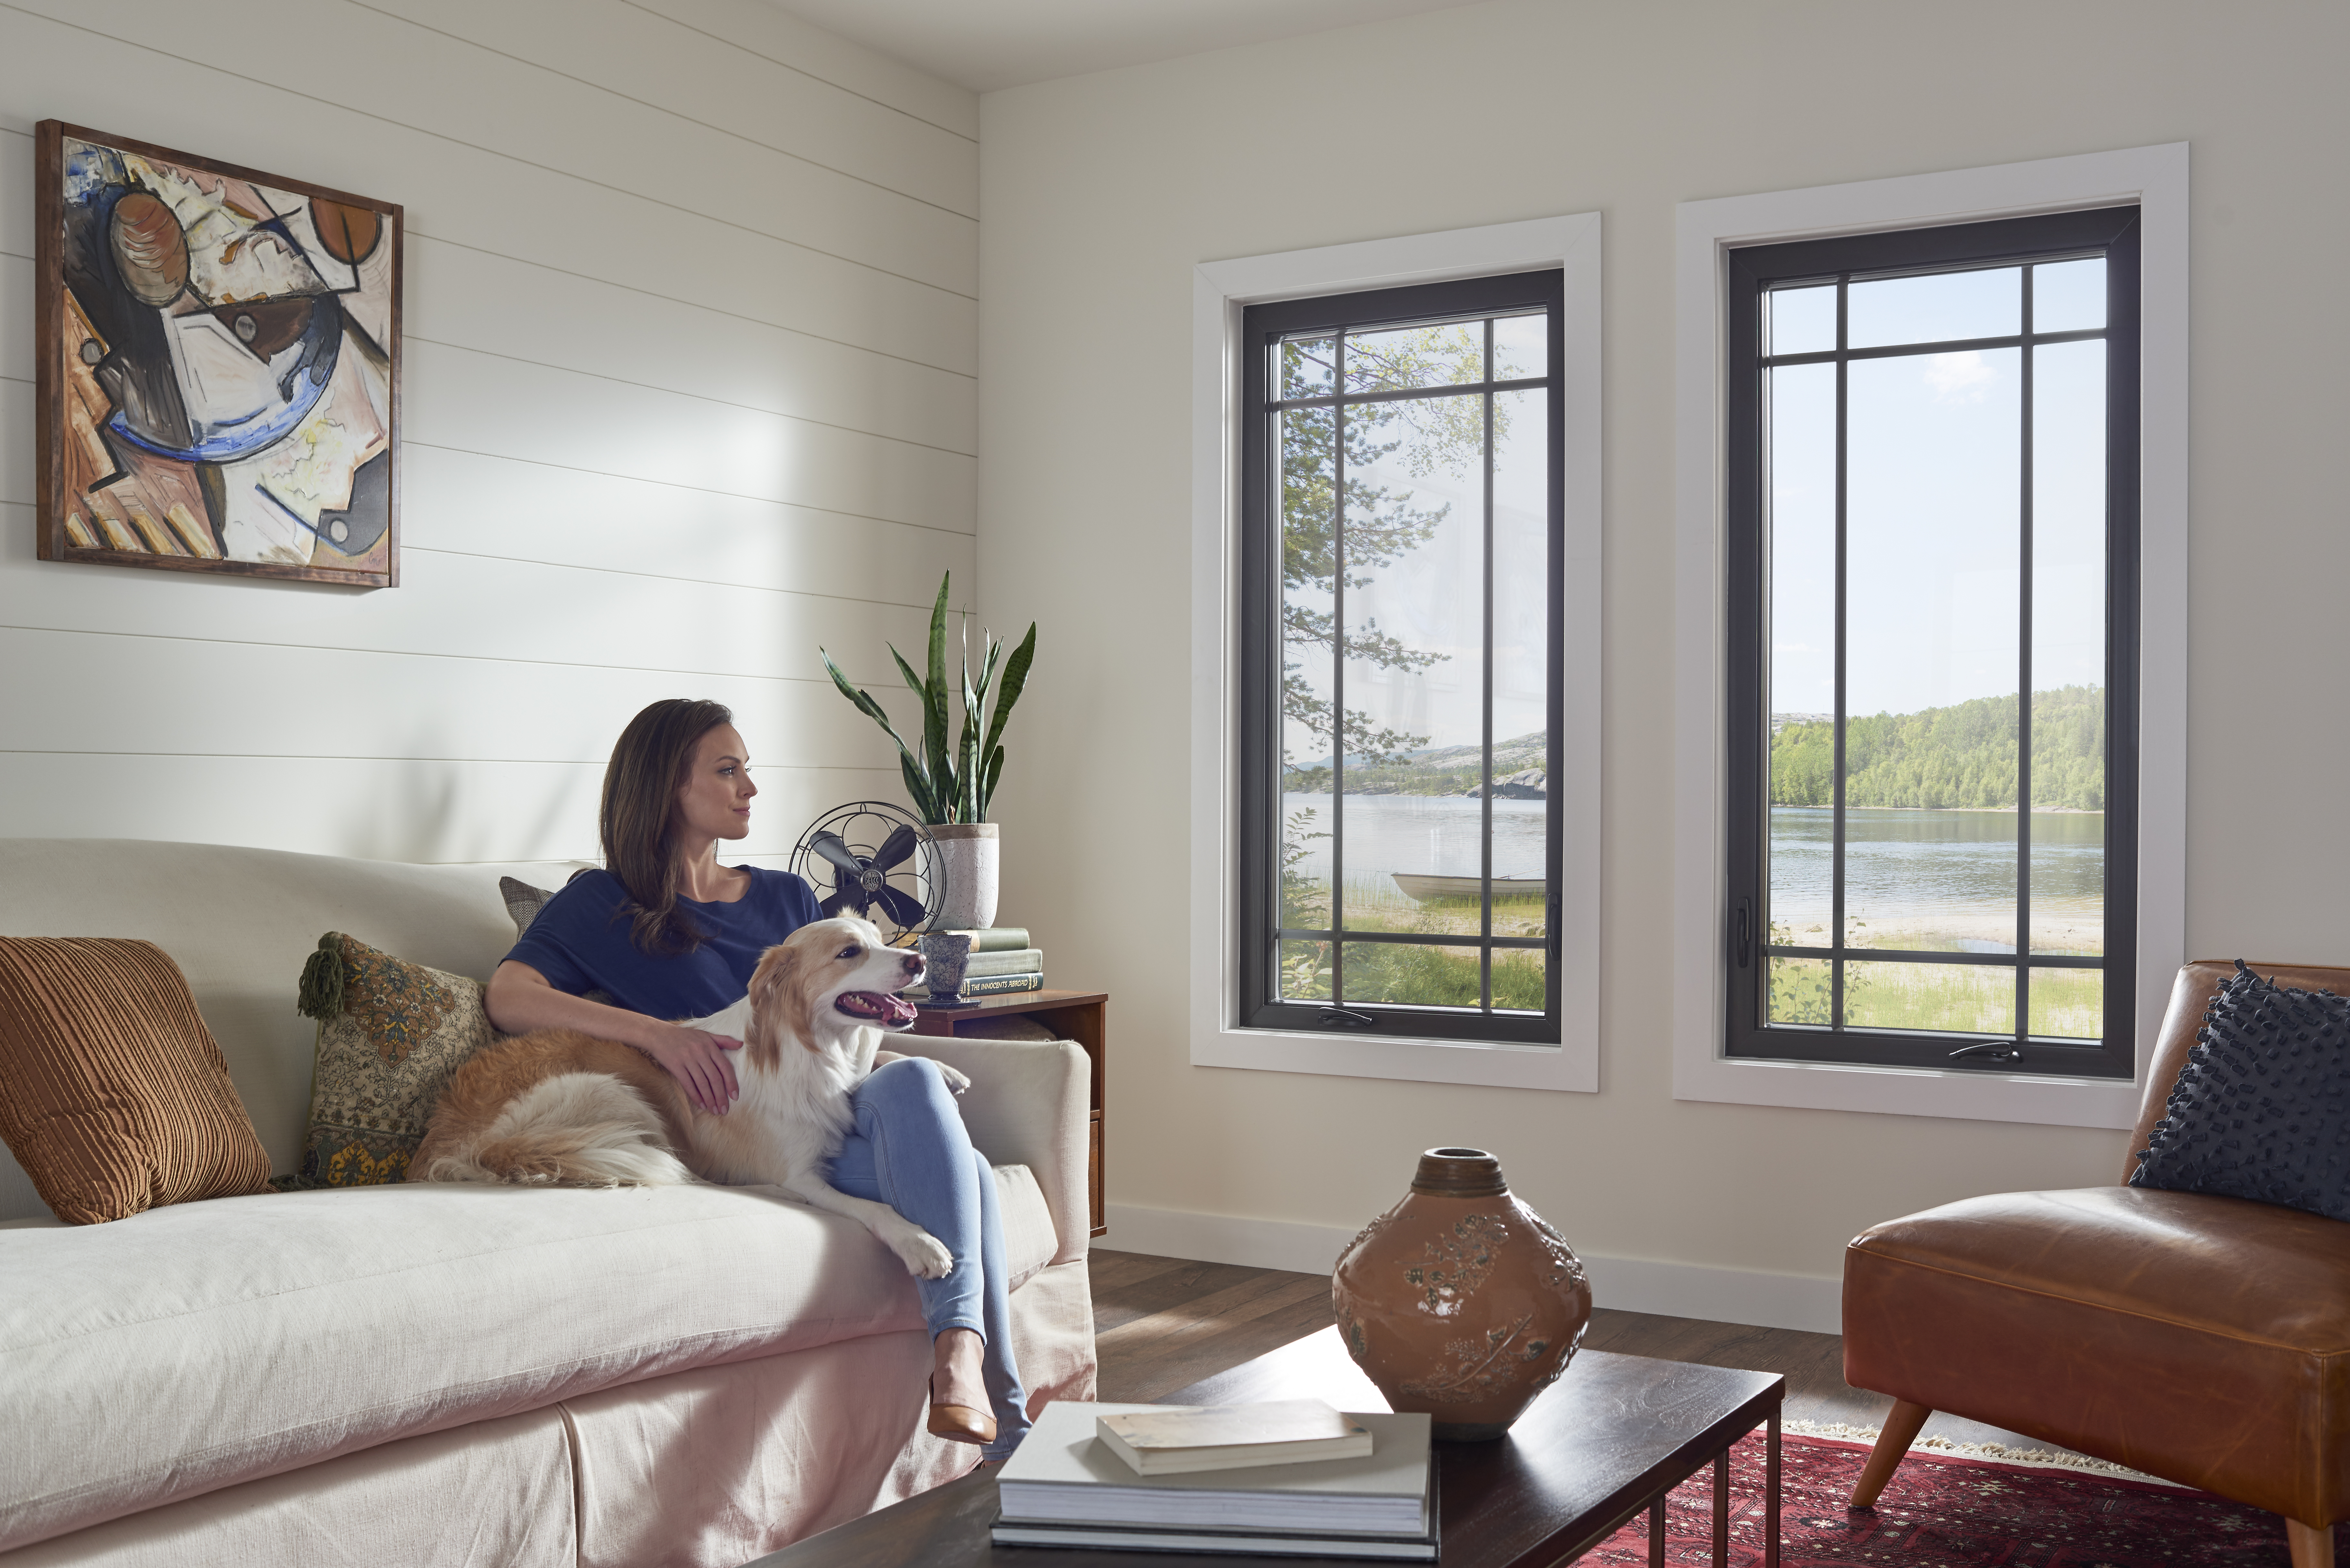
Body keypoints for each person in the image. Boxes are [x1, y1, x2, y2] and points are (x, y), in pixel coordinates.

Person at [483, 698, 1028, 1457]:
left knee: (911, 1085)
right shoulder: (601, 905)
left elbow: (838, 1030)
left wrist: (894, 1056)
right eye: (727, 769)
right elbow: (508, 997)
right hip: (750, 1128)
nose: (750, 787)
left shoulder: (787, 899)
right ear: (667, 787)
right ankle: (1003, 1419)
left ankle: (969, 1375)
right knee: (965, 1172)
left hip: (836, 1101)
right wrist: (657, 1037)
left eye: (748, 769)